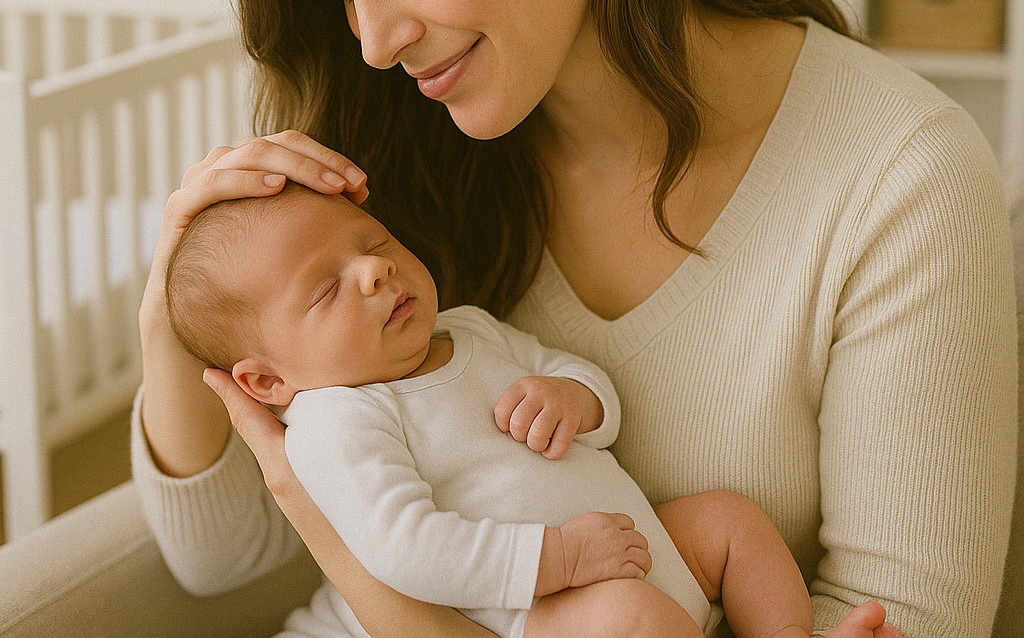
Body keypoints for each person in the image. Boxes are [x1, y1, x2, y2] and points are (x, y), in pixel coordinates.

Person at [132, 0, 1017, 638]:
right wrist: (169, 300)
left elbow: (908, 616)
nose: (373, 43)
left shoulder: (899, 179)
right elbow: (218, 556)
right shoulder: (385, 179)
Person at [164, 182, 895, 638]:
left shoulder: (470, 330)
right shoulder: (335, 420)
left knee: (728, 521)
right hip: (535, 609)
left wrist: (575, 398)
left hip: (631, 549)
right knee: (633, 619)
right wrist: (559, 558)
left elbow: (572, 374)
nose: (375, 270)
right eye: (327, 289)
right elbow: (405, 549)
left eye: (374, 242)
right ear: (266, 381)